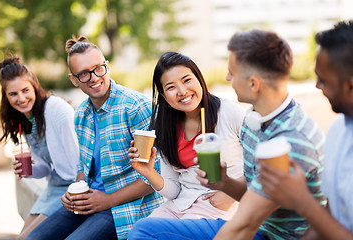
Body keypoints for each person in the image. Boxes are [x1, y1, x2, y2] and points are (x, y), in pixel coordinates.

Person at [127, 30, 326, 240]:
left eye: (232, 72)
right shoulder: (254, 120)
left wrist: (224, 196)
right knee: (143, 230)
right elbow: (255, 192)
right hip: (251, 224)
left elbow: (249, 218)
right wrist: (224, 183)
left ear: (253, 83)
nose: (226, 78)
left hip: (267, 232)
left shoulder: (289, 140)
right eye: (171, 87)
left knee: (145, 231)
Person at [27, 36, 164, 240]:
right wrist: (75, 193)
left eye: (98, 68)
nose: (93, 77)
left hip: (126, 208)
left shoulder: (136, 107)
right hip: (92, 201)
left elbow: (155, 178)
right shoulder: (81, 114)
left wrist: (107, 200)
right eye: (83, 73)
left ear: (106, 66)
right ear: (73, 79)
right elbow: (84, 168)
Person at [259, 20, 353, 239]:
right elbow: (331, 216)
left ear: (350, 84)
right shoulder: (339, 129)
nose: (317, 86)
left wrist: (301, 200)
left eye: (323, 79)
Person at [128, 52, 244, 221]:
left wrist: (230, 196)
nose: (182, 91)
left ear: (199, 79)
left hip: (221, 208)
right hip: (181, 206)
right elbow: (175, 191)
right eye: (171, 87)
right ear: (163, 96)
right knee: (141, 231)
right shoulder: (165, 128)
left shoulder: (230, 112)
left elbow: (261, 163)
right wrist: (148, 172)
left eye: (187, 80)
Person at [0, 55, 79, 239]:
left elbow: (78, 158)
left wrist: (78, 192)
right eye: (13, 94)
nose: (21, 98)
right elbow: (45, 168)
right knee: (21, 237)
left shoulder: (56, 109)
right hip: (54, 186)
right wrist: (28, 171)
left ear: (34, 85)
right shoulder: (26, 120)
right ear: (6, 95)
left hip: (72, 187)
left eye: (25, 90)